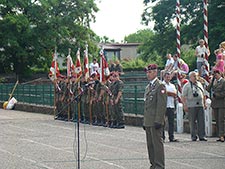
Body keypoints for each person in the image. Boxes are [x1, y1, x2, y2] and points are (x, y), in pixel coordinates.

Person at [143, 64, 167, 169]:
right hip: (148, 120)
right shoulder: (148, 87)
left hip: (155, 120)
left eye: (150, 72)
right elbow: (146, 105)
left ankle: (159, 165)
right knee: (150, 145)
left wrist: (159, 120)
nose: (148, 74)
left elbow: (161, 105)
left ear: (155, 72)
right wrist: (145, 121)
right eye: (147, 72)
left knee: (157, 145)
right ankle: (153, 164)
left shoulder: (160, 86)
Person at [181, 71, 207, 141]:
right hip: (191, 105)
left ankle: (202, 136)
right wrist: (185, 105)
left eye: (196, 76)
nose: (196, 78)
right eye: (194, 76)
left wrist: (204, 103)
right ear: (190, 77)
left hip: (200, 104)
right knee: (192, 122)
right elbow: (183, 96)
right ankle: (193, 136)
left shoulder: (199, 84)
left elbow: (203, 94)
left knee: (201, 121)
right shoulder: (187, 85)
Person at [207, 69, 225, 142]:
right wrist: (211, 82)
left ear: (220, 74)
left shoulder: (223, 82)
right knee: (217, 120)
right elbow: (208, 89)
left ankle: (222, 135)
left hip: (221, 103)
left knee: (221, 120)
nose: (215, 75)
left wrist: (216, 95)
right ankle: (219, 135)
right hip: (215, 103)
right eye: (214, 74)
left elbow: (224, 92)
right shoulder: (214, 82)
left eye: (216, 74)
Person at [162, 72, 178, 142]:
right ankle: (162, 137)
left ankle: (171, 137)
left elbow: (175, 94)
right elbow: (163, 93)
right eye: (166, 77)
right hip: (164, 105)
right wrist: (169, 93)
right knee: (162, 122)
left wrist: (169, 93)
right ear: (164, 77)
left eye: (169, 77)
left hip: (171, 105)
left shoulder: (172, 85)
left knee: (171, 122)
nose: (168, 78)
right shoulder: (162, 85)